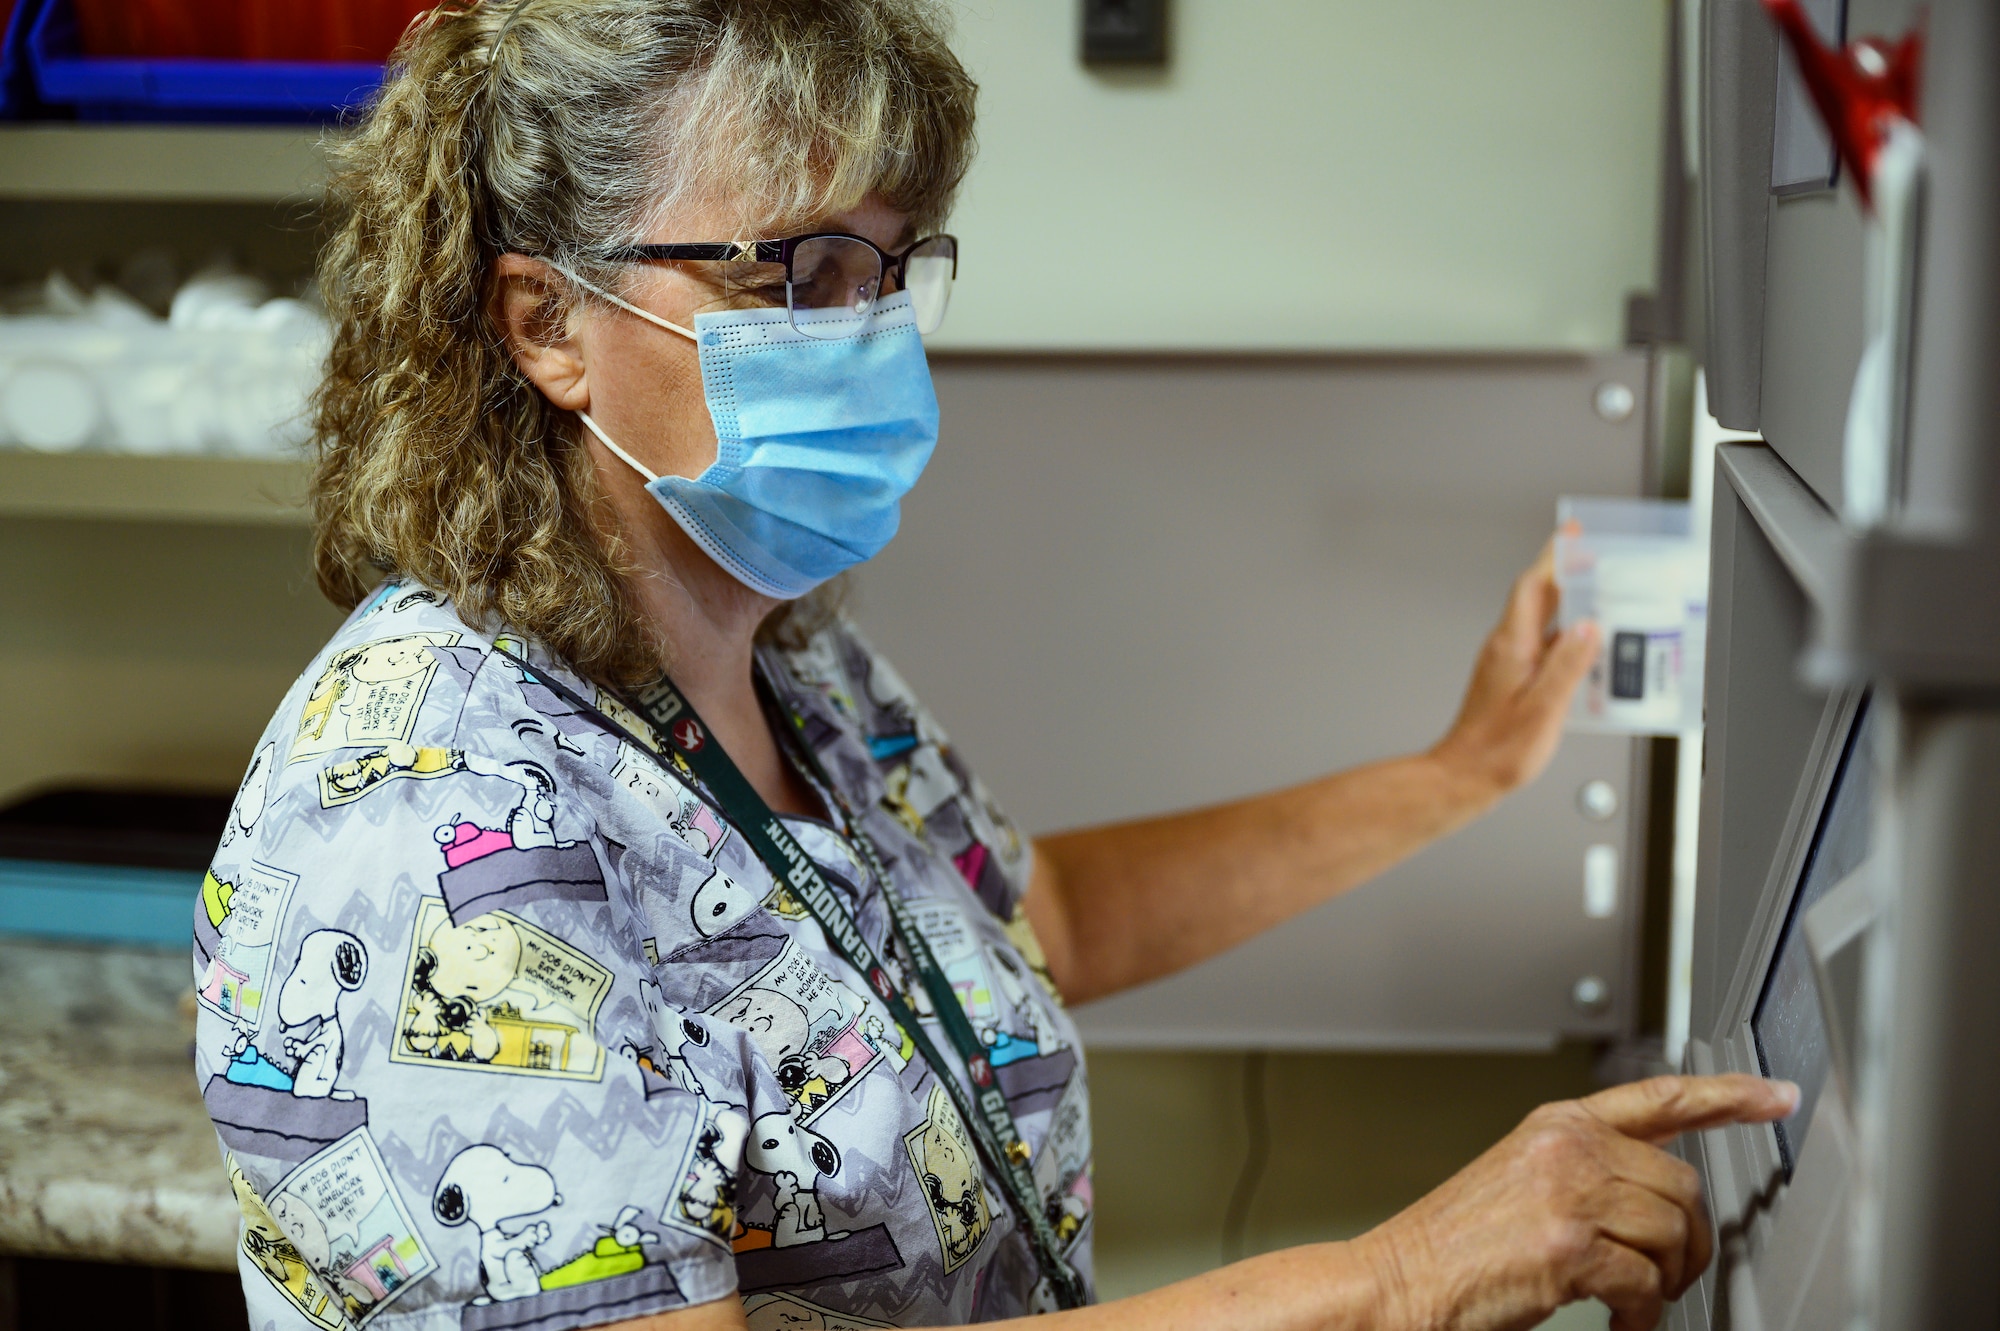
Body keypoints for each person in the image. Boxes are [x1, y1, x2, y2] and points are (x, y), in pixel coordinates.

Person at [191, 2, 1796, 1329]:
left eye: (892, 273)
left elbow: (1037, 923)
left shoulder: (781, 667)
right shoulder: (420, 804)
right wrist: (1395, 1281)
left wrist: (1463, 777)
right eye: (799, 276)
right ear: (548, 321)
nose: (871, 336)